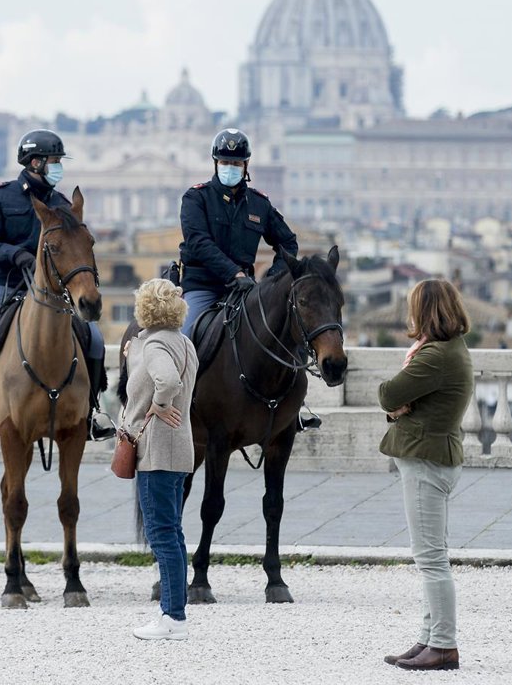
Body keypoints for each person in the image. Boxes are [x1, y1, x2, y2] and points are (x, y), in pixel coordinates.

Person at [0, 129, 116, 441]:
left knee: (94, 339)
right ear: (34, 162)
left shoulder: (62, 204)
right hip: (7, 282)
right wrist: (16, 256)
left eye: (59, 161)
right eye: (53, 161)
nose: (58, 167)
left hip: (52, 291)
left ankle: (93, 410)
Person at [377, 279, 473, 672]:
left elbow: (388, 394)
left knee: (431, 559)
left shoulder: (434, 357)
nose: (409, 314)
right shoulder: (451, 350)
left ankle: (444, 646)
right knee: (433, 555)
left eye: (414, 307)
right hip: (436, 457)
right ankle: (428, 638)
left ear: (426, 311)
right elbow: (401, 400)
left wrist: (397, 405)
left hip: (426, 460)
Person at [121, 279, 198, 641]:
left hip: (156, 451)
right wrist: (134, 355)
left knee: (161, 535)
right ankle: (175, 612)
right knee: (174, 533)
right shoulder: (182, 342)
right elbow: (158, 373)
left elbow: (165, 380)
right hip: (179, 447)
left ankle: (172, 617)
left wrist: (159, 405)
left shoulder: (154, 345)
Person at [177, 128, 298, 338]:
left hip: (244, 290)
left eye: (236, 163)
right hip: (203, 286)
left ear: (246, 165)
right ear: (216, 163)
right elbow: (198, 242)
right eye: (225, 162)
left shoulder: (259, 203)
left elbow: (288, 243)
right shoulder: (196, 198)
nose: (230, 167)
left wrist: (271, 281)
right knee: (186, 340)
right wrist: (234, 273)